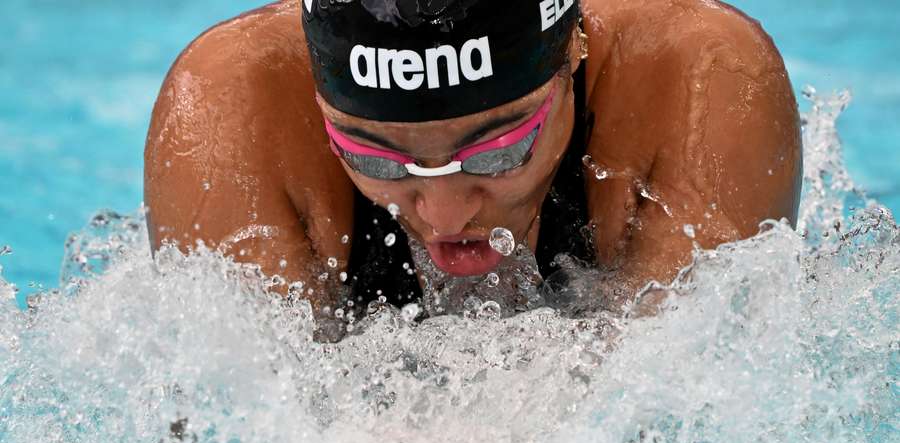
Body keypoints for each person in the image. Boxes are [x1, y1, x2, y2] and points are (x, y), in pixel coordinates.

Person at [145, 0, 801, 320]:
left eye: (499, 147)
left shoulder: (700, 78)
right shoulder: (233, 101)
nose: (446, 210)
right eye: (375, 158)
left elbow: (680, 431)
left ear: (573, 50)